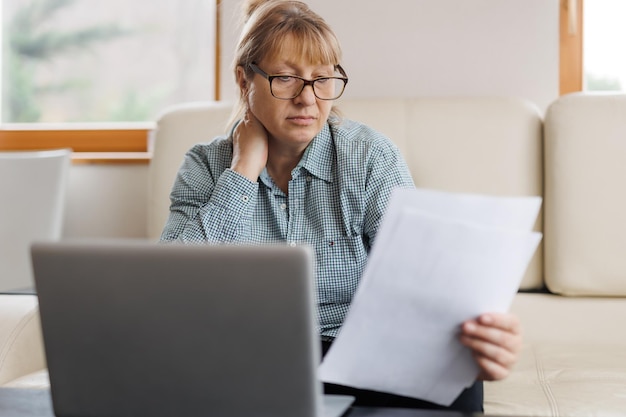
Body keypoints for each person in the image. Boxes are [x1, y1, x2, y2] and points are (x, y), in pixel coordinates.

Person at [160, 0, 522, 412]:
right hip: (245, 356)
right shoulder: (205, 166)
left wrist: (475, 339)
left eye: (322, 79)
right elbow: (170, 291)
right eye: (286, 79)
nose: (308, 99)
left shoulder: (370, 158)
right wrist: (242, 172)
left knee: (458, 387)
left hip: (359, 356)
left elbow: (423, 286)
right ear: (245, 80)